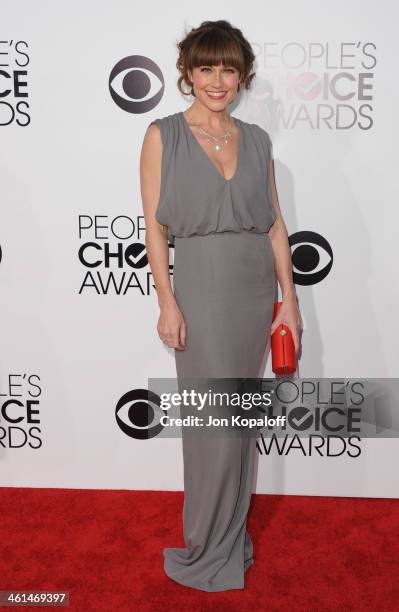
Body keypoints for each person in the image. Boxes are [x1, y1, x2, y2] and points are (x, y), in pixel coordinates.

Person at [140, 19, 302, 592]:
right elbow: (156, 228)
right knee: (211, 425)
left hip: (256, 292)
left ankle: (230, 535)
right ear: (187, 72)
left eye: (228, 69)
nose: (217, 79)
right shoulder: (163, 135)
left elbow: (277, 225)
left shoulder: (257, 139)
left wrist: (290, 302)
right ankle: (204, 545)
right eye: (206, 67)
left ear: (243, 76)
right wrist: (168, 301)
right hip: (202, 290)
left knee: (237, 425)